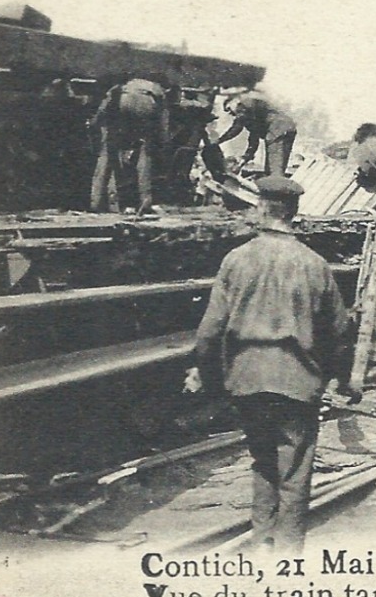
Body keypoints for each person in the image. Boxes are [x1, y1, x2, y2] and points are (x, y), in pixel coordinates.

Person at [184, 175, 352, 554]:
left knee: (262, 461)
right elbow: (340, 332)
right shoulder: (315, 265)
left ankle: (261, 544)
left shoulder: (236, 260)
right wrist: (343, 380)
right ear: (294, 212)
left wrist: (205, 373)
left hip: (247, 380)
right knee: (294, 471)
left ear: (261, 209)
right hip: (297, 382)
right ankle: (288, 555)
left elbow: (210, 329)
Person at [89, 77, 171, 214]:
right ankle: (145, 201)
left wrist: (95, 122)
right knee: (144, 157)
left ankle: (96, 202)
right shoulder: (157, 88)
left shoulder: (125, 84)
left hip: (122, 101)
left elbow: (106, 104)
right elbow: (163, 121)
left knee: (109, 157)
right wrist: (162, 142)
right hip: (144, 106)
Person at [218, 89, 299, 179]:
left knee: (273, 171)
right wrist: (243, 161)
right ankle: (276, 183)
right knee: (277, 168)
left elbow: (236, 129)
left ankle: (274, 185)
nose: (231, 114)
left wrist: (217, 141)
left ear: (235, 101)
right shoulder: (253, 117)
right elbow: (253, 142)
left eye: (229, 109)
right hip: (288, 128)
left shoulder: (244, 105)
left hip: (278, 128)